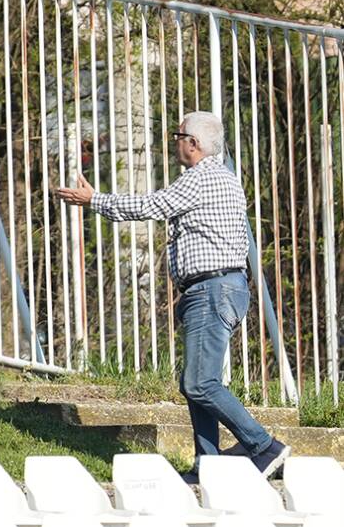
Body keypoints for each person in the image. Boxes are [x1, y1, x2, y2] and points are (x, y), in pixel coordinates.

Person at [56, 111, 290, 481]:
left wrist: (95, 200)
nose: (175, 142)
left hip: (213, 288)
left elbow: (152, 206)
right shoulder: (219, 177)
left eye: (177, 135)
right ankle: (208, 465)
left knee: (200, 383)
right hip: (212, 288)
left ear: (193, 143)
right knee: (197, 382)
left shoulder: (201, 178)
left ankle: (263, 446)